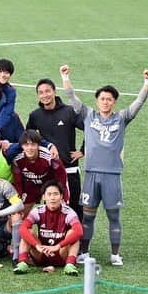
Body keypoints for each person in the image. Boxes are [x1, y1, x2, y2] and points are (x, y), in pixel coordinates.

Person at [60, 65, 148, 266]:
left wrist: (147, 83)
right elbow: (71, 98)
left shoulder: (121, 118)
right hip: (92, 174)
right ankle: (84, 252)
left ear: (114, 102)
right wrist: (65, 76)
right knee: (88, 216)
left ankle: (115, 254)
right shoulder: (88, 115)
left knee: (113, 215)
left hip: (112, 175)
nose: (105, 102)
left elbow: (139, 103)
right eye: (102, 98)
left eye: (109, 99)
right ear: (97, 101)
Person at [26, 78, 85, 220]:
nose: (44, 95)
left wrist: (83, 150)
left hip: (69, 169)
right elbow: (28, 137)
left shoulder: (69, 112)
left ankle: (79, 240)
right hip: (47, 171)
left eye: (47, 91)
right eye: (41, 92)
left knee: (75, 207)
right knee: (50, 208)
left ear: (54, 92)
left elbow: (90, 129)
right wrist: (45, 145)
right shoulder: (35, 115)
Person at [10, 129, 68, 262]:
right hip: (29, 189)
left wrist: (63, 195)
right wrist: (17, 201)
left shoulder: (48, 156)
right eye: (26, 145)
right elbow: (17, 181)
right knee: (17, 215)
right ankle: (16, 248)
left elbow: (61, 174)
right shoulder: (17, 159)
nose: (29, 148)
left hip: (49, 187)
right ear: (22, 146)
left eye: (33, 144)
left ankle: (59, 247)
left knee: (58, 214)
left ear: (38, 145)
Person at [14, 181, 82, 276]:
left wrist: (57, 246)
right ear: (43, 197)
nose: (52, 198)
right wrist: (37, 245)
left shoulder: (69, 212)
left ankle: (70, 264)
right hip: (41, 253)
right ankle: (23, 263)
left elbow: (79, 231)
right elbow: (22, 229)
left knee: (73, 233)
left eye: (56, 194)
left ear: (61, 196)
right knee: (28, 231)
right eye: (49, 194)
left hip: (61, 253)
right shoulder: (37, 211)